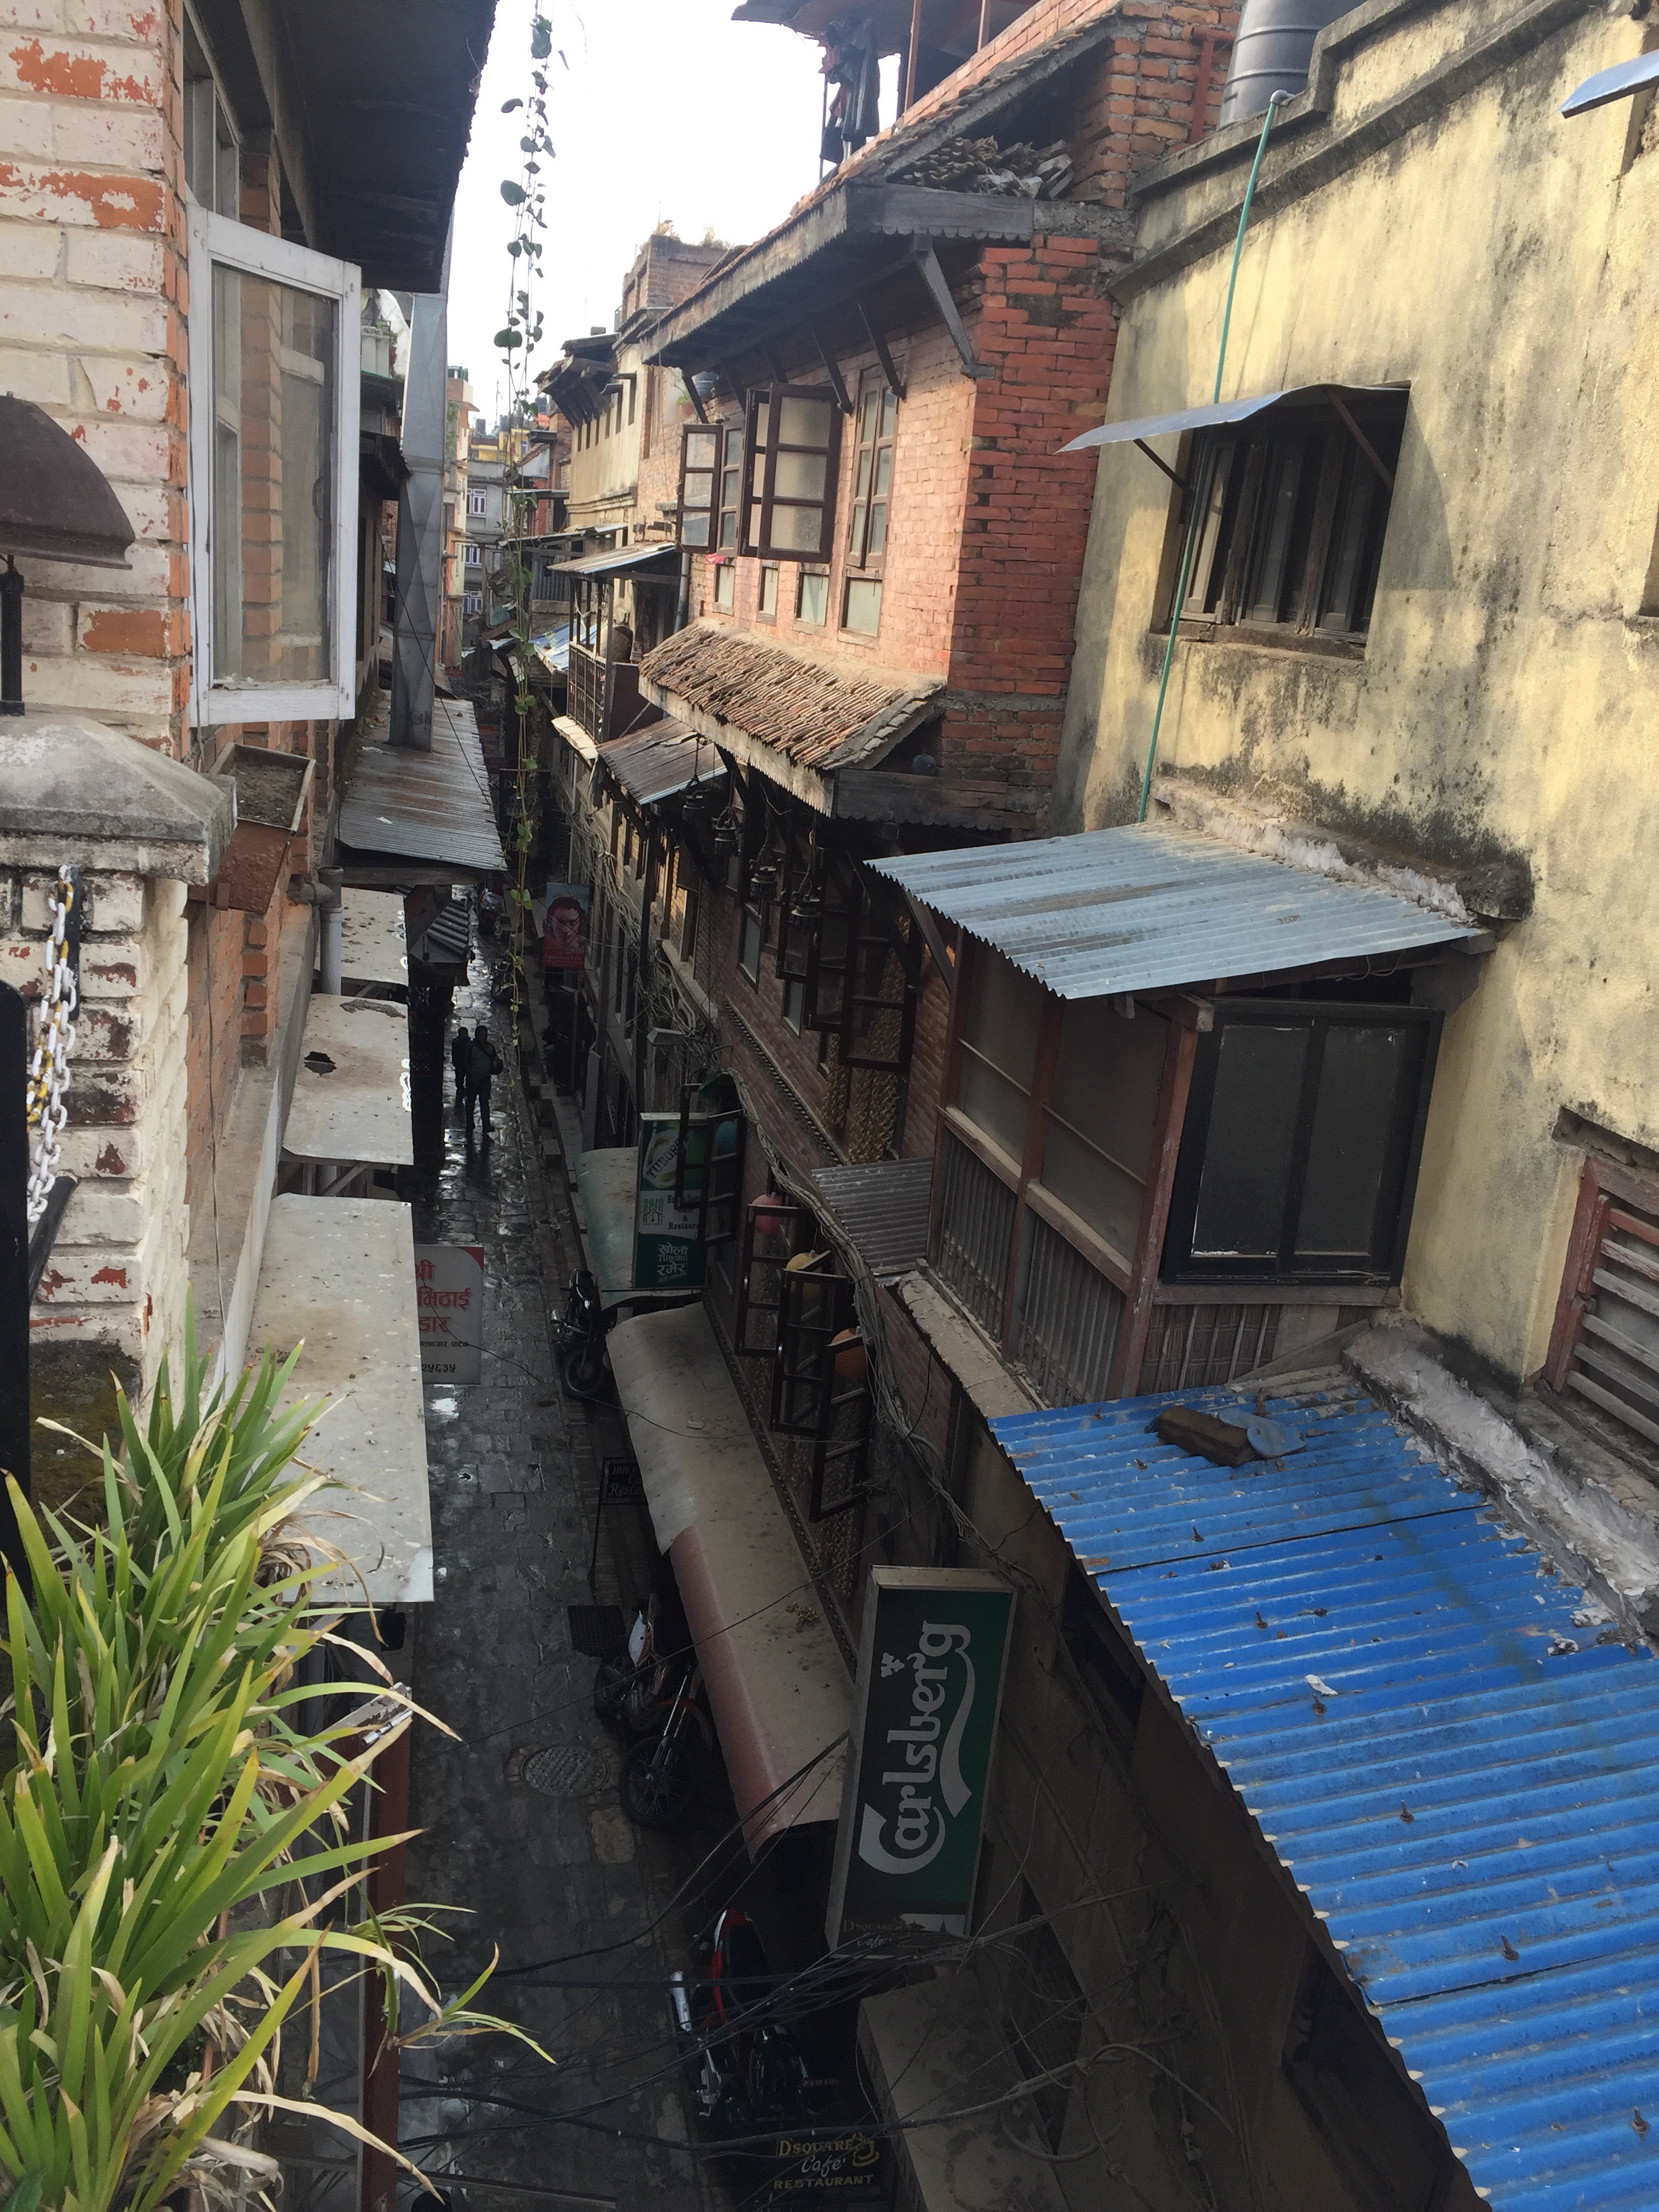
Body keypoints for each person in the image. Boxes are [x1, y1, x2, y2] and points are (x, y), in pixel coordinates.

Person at [464, 1022, 503, 1143]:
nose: (483, 1037)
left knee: (484, 1102)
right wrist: (472, 1076)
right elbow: (466, 1063)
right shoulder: (471, 1047)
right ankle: (470, 1123)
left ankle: (486, 1125)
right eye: (481, 1035)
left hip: (485, 1079)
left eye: (485, 1035)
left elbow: (495, 1057)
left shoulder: (490, 1047)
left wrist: (497, 1063)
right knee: (470, 1102)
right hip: (473, 1080)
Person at [450, 1023, 470, 1116]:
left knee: (462, 1078)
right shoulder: (459, 1043)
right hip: (461, 1064)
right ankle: (461, 1089)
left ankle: (462, 1089)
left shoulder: (460, 1043)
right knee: (460, 1078)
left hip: (464, 1064)